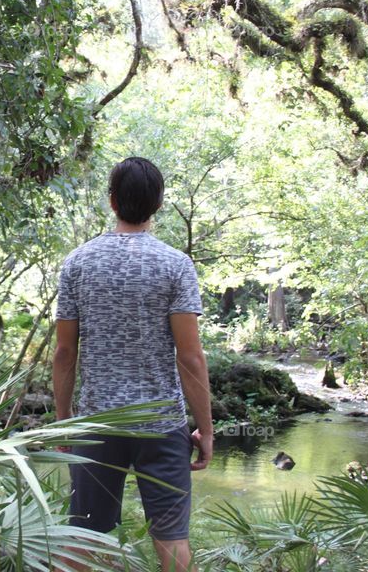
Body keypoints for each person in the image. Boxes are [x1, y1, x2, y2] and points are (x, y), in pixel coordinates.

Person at [52, 157, 213, 572]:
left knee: (84, 537)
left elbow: (65, 353)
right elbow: (190, 356)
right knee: (172, 538)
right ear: (158, 204)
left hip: (98, 423)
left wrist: (64, 421)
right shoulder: (176, 265)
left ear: (112, 202)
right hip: (161, 424)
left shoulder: (78, 263)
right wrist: (206, 428)